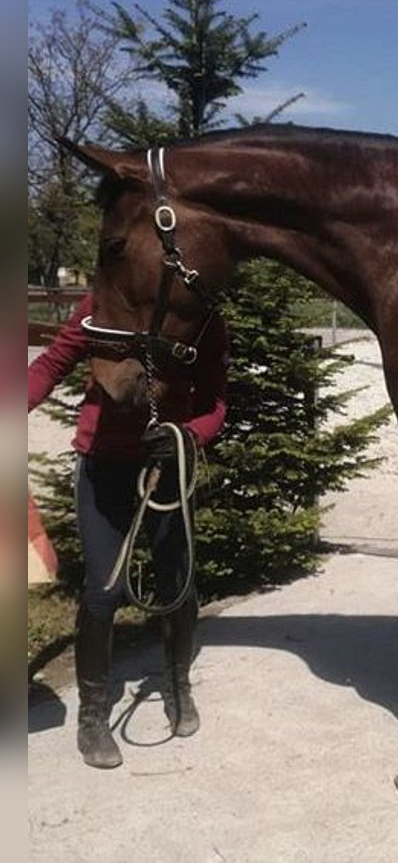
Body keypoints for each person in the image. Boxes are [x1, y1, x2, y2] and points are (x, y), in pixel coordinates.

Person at [28, 292, 229, 768]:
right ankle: (93, 717)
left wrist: (187, 434)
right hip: (102, 467)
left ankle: (178, 687)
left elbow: (216, 404)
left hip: (166, 464)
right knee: (103, 587)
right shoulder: (99, 307)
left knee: (177, 583)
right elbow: (50, 366)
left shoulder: (203, 320)